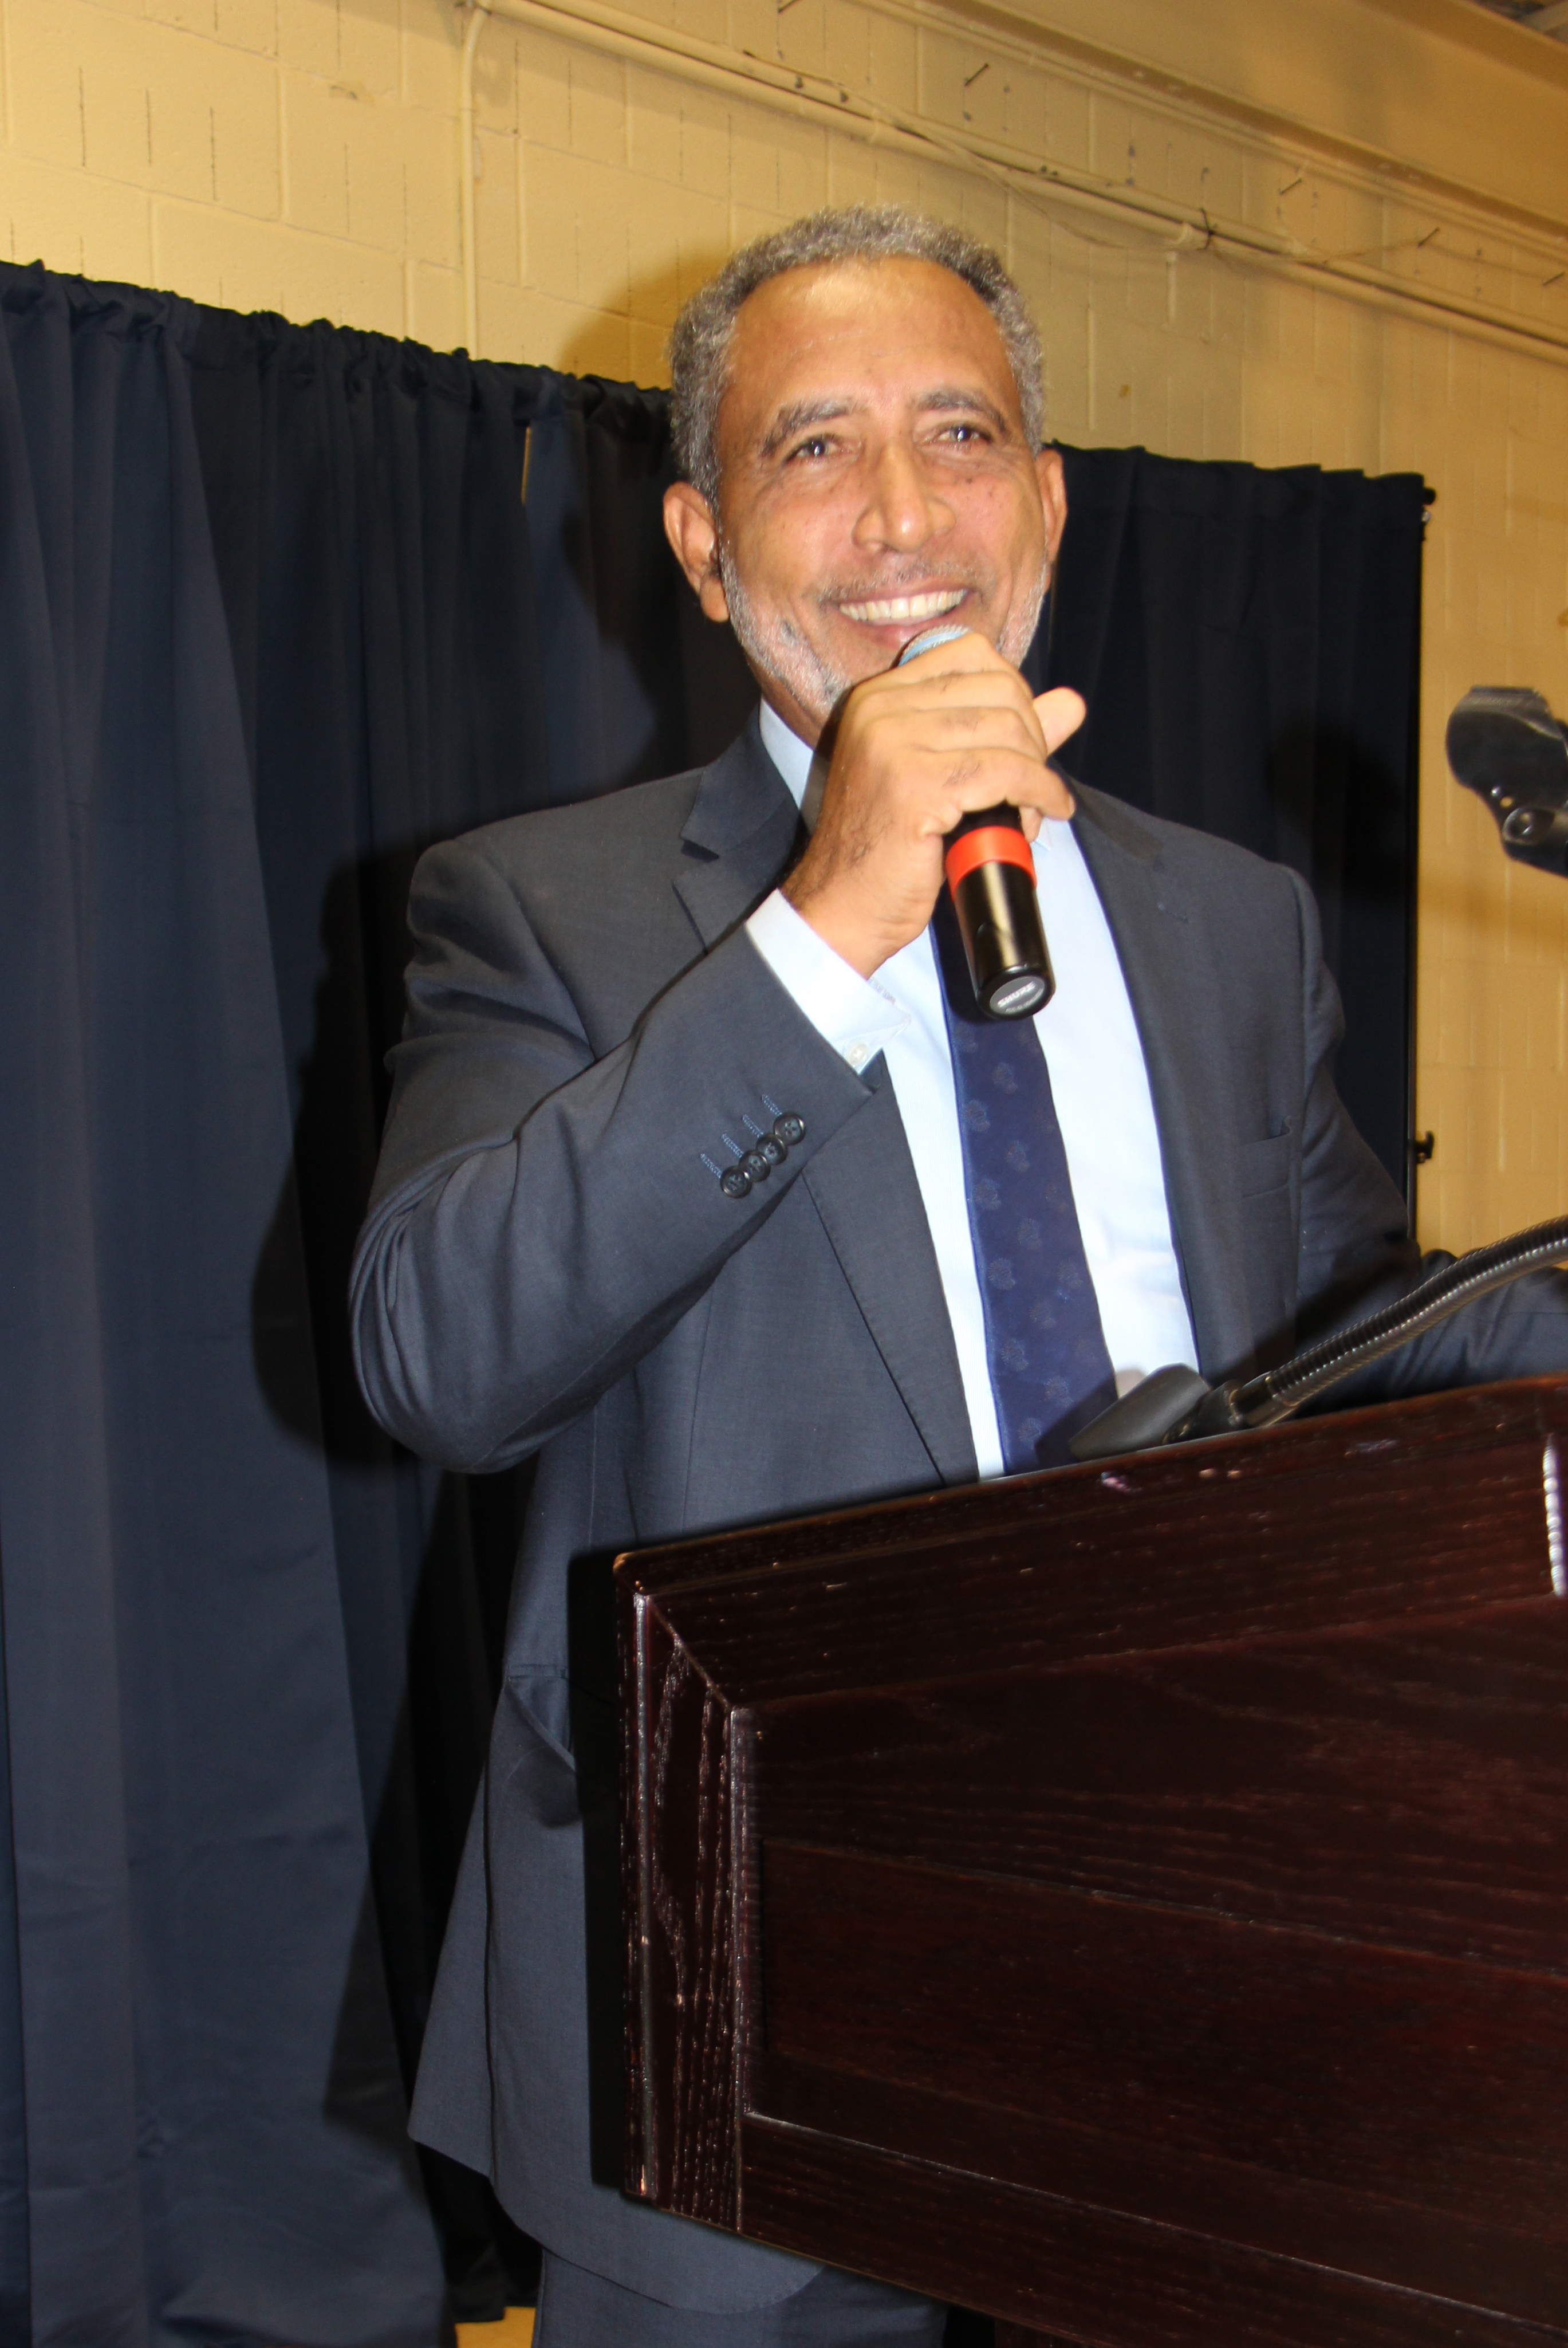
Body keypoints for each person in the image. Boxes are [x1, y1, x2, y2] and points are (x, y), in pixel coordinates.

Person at [349, 207, 1566, 2346]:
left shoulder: (1227, 920)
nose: (903, 511)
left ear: (1051, 503)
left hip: (1201, 1970)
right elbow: (442, 1357)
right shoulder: (536, 911)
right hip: (736, 2007)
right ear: (706, 548)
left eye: (962, 433)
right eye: (812, 450)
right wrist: (822, 931)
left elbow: (1369, 1352)